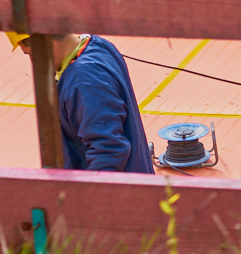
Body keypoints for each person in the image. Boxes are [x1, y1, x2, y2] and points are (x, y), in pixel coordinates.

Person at [9, 32, 154, 173]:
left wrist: (89, 189)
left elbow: (108, 152)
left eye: (31, 53)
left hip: (112, 187)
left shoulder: (84, 80)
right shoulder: (99, 45)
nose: (34, 62)